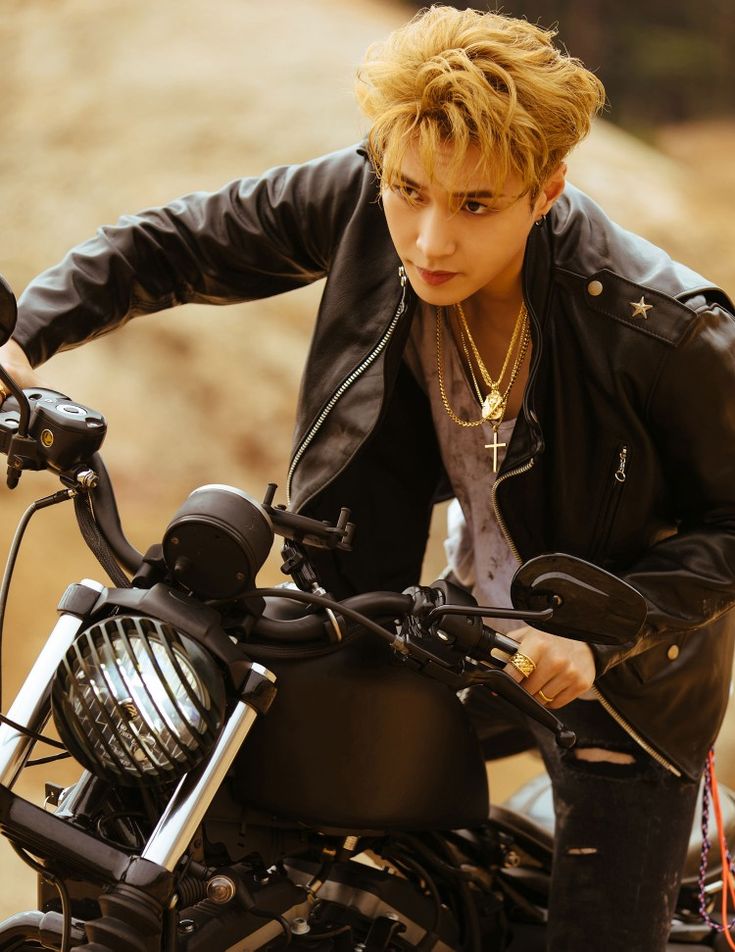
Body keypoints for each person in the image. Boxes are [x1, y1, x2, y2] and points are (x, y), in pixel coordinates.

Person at [1, 5, 734, 949]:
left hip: (620, 678)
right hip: (444, 623)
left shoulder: (659, 327)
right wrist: (23, 340)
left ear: (545, 190)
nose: (428, 240)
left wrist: (606, 636)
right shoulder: (362, 198)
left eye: (475, 206)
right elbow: (171, 244)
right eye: (408, 190)